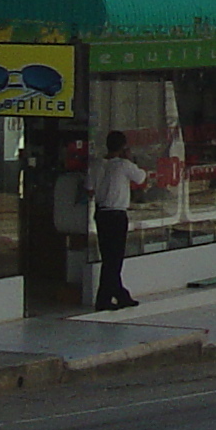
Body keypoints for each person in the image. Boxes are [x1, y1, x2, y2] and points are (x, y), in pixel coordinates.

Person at [87, 130, 147, 310]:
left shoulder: (96, 165)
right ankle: (104, 299)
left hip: (101, 212)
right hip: (116, 213)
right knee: (115, 259)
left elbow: (89, 189)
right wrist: (130, 158)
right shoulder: (123, 165)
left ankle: (121, 294)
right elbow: (141, 178)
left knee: (108, 256)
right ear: (123, 147)